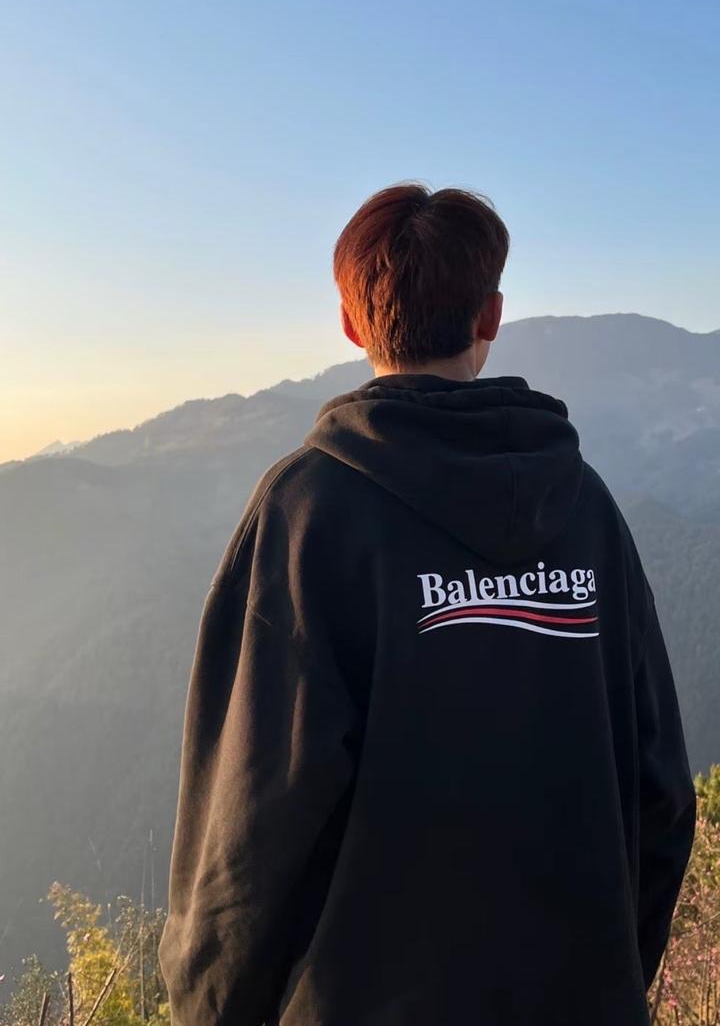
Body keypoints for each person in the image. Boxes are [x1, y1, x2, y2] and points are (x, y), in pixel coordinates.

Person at [159, 183, 696, 1025]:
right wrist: (611, 974)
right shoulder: (586, 508)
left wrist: (210, 1006)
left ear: (350, 324)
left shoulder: (308, 514)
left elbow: (247, 831)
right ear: (492, 315)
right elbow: (662, 792)